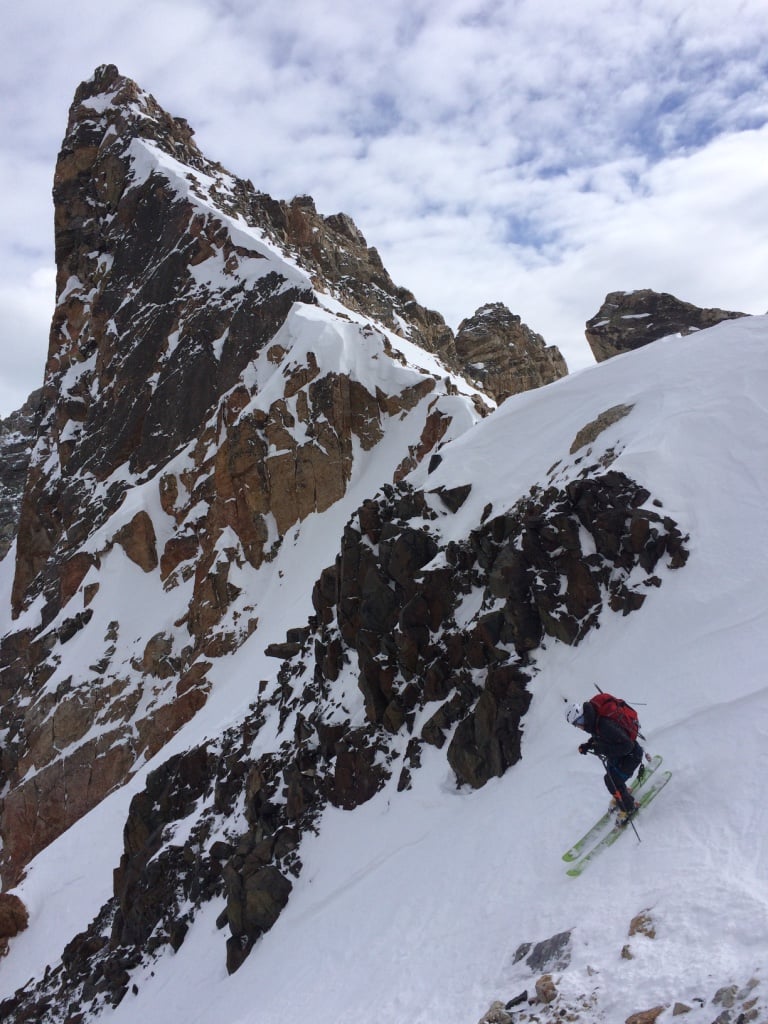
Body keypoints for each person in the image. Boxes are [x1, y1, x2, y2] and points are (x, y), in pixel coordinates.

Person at [566, 700, 644, 820]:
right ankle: (622, 793)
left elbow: (628, 745)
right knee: (611, 772)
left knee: (611, 780)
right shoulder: (593, 721)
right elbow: (600, 737)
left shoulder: (603, 725)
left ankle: (629, 807)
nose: (580, 726)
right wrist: (588, 745)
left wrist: (602, 749)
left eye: (579, 721)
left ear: (583, 715)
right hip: (622, 755)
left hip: (632, 756)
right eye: (576, 724)